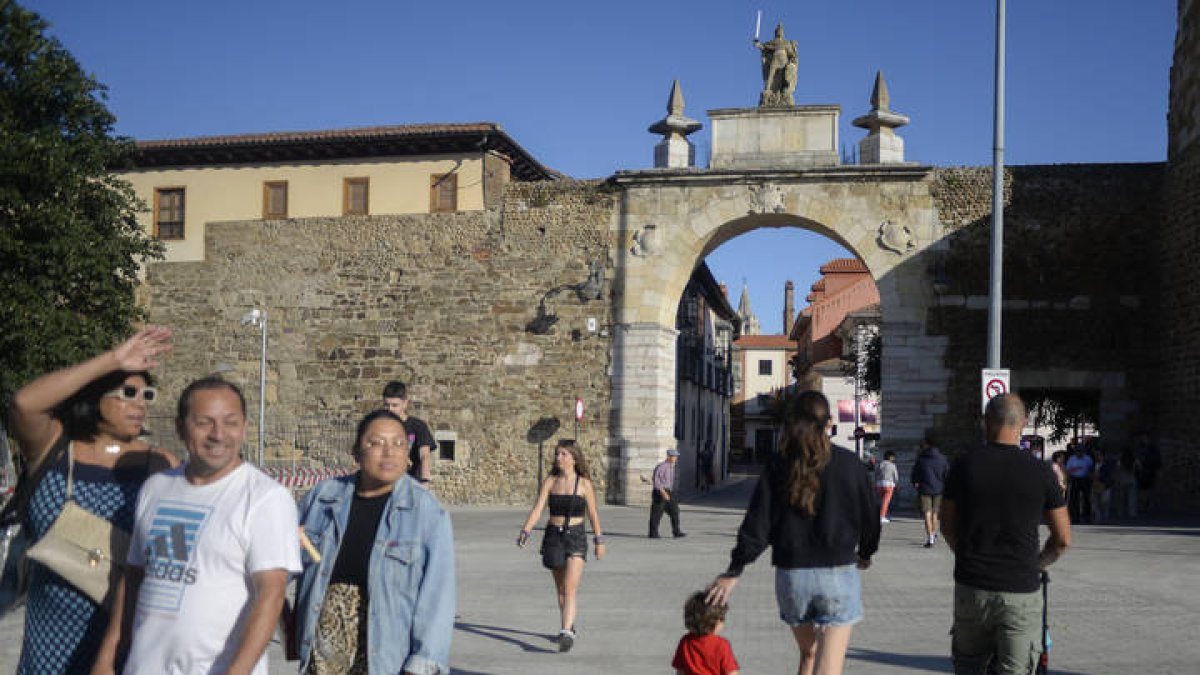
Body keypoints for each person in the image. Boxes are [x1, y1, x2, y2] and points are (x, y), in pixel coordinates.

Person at [95, 377, 301, 675]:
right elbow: (135, 577)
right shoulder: (156, 488)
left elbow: (271, 593)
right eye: (204, 423)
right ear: (180, 428)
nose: (218, 434)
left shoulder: (266, 498)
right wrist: (107, 657)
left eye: (230, 423)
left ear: (244, 427)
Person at [8, 327, 177, 674]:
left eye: (146, 394)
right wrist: (113, 360)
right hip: (48, 645)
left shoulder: (160, 465)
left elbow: (173, 550)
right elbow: (24, 404)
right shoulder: (54, 449)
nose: (140, 403)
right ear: (95, 396)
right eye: (128, 393)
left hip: (124, 640)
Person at [707, 390, 879, 675]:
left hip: (792, 575)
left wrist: (735, 570)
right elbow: (870, 517)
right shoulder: (851, 465)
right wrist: (866, 552)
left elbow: (758, 522)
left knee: (809, 654)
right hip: (837, 572)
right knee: (829, 666)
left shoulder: (779, 464)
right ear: (829, 422)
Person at [294, 410, 455, 675]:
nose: (389, 452)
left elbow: (438, 597)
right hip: (322, 656)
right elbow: (278, 563)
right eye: (376, 443)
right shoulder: (323, 498)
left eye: (399, 443)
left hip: (387, 658)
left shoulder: (426, 512)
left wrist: (423, 664)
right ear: (356, 452)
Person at [940, 394, 1071, 675]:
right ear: (1024, 423)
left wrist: (966, 554)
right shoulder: (1041, 471)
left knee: (969, 666)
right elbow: (1063, 538)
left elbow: (947, 525)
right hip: (1020, 589)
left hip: (972, 586)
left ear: (986, 422)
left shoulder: (963, 466)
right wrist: (1038, 563)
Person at [517, 439, 606, 652]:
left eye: (563, 454)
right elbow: (538, 509)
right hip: (553, 537)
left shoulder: (584, 484)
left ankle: (566, 632)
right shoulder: (551, 481)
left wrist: (599, 540)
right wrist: (525, 530)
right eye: (557, 454)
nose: (558, 457)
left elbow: (593, 514)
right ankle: (568, 625)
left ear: (574, 458)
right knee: (560, 590)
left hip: (576, 536)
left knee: (569, 587)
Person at [382, 381, 436, 487]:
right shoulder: (379, 427)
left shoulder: (418, 426)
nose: (390, 409)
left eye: (395, 405)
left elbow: (424, 455)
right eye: (386, 405)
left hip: (412, 483)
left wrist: (425, 479)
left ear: (405, 403)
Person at [673, 591, 740, 675]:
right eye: (722, 618)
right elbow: (732, 673)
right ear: (715, 622)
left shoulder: (685, 642)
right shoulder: (721, 645)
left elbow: (680, 671)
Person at [911, 430, 950, 548]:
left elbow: (915, 474)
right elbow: (947, 475)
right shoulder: (943, 459)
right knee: (935, 513)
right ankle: (934, 531)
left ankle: (930, 538)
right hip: (939, 489)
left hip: (924, 489)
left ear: (927, 444)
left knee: (927, 513)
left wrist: (915, 482)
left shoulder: (921, 459)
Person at [752, 23, 799, 106]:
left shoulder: (786, 43)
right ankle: (768, 92)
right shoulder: (773, 43)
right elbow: (764, 47)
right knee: (771, 76)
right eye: (778, 31)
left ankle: (784, 93)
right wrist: (757, 44)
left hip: (784, 62)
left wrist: (792, 60)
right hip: (774, 61)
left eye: (781, 31)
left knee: (784, 78)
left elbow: (792, 55)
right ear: (776, 33)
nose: (779, 32)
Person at [649, 448, 686, 539]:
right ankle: (653, 533)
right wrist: (663, 492)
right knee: (657, 513)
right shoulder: (662, 466)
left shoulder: (673, 467)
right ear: (669, 457)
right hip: (660, 491)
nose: (676, 458)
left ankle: (676, 532)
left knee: (675, 511)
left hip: (670, 492)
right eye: (674, 456)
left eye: (676, 456)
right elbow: (656, 480)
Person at [1064, 442, 1094, 523]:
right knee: (1074, 498)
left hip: (1085, 479)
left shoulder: (1087, 458)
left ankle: (1087, 515)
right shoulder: (1072, 458)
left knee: (1086, 498)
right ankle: (1075, 515)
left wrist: (1091, 478)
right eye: (1077, 451)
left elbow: (1091, 468)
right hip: (1075, 479)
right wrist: (1073, 472)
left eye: (1080, 451)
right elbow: (1068, 470)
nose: (1079, 453)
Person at [1132, 433, 1161, 515]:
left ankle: (1148, 505)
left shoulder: (1153, 449)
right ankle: (1143, 504)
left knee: (1149, 489)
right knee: (1142, 489)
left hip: (1150, 472)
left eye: (1145, 438)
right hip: (1142, 472)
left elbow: (1157, 460)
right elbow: (1136, 460)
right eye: (1143, 438)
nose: (1144, 440)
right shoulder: (1140, 448)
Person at [876, 450, 898, 523]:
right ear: (890, 457)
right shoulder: (892, 465)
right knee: (886, 502)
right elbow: (895, 476)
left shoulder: (880, 464)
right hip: (889, 484)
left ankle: (878, 515)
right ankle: (882, 516)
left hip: (879, 483)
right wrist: (897, 484)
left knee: (880, 501)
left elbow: (876, 473)